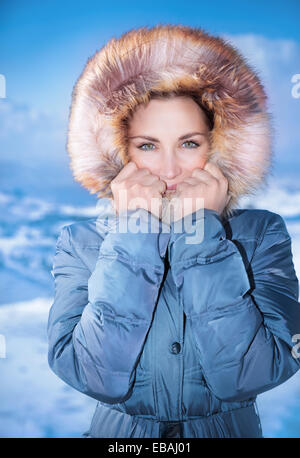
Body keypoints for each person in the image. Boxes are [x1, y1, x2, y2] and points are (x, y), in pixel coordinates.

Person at [47, 24, 300, 438]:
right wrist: (134, 233)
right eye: (148, 146)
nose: (169, 171)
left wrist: (201, 230)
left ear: (219, 146)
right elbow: (89, 374)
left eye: (189, 144)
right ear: (119, 152)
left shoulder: (261, 234)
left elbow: (257, 372)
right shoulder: (81, 243)